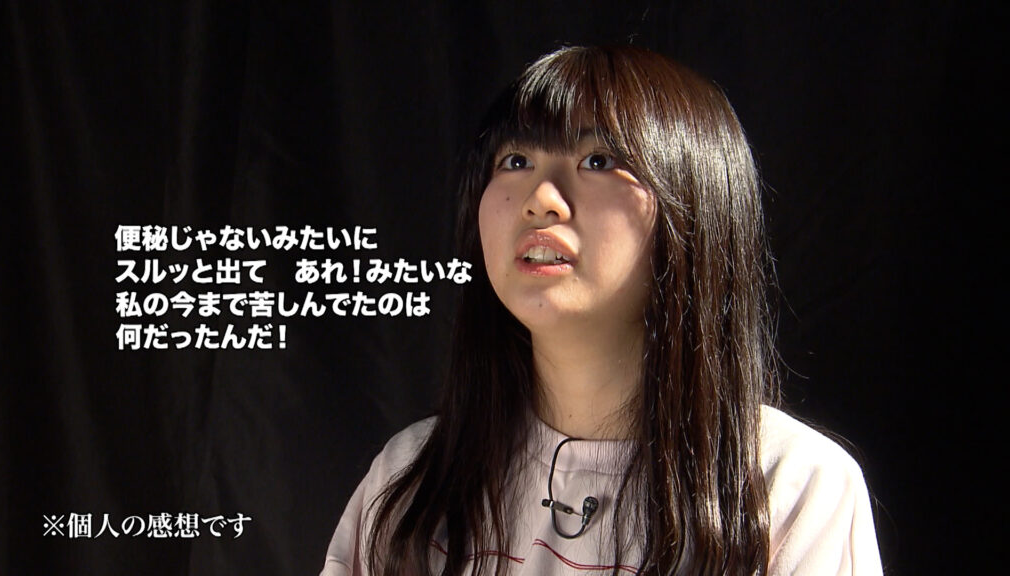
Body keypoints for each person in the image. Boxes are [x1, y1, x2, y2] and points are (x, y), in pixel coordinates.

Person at [320, 45, 883, 575]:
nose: (541, 199)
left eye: (598, 159)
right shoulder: (411, 477)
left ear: (695, 205)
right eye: (515, 159)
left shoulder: (791, 488)